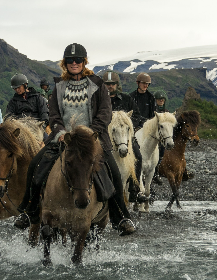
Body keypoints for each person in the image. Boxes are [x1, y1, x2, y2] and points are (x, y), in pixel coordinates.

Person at [15, 43, 137, 236]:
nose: (74, 63)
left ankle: (121, 216)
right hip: (65, 139)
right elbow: (53, 115)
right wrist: (61, 132)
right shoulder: (58, 87)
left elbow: (105, 114)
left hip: (92, 139)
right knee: (35, 166)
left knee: (113, 172)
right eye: (70, 60)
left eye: (78, 60)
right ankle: (29, 211)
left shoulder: (98, 85)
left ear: (84, 62)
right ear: (65, 63)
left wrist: (91, 132)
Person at [102, 70, 148, 204]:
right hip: (105, 137)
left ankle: (135, 190)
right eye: (107, 84)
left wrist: (126, 124)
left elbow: (137, 117)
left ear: (117, 85)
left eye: (112, 84)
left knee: (138, 156)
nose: (110, 86)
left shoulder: (127, 99)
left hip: (125, 137)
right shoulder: (99, 101)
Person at [129, 72, 163, 185]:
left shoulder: (151, 98)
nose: (145, 86)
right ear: (138, 83)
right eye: (144, 83)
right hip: (135, 125)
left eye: (147, 84)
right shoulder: (131, 97)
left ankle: (156, 170)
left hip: (148, 126)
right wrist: (136, 124)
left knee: (160, 143)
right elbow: (131, 113)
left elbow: (153, 114)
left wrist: (147, 123)